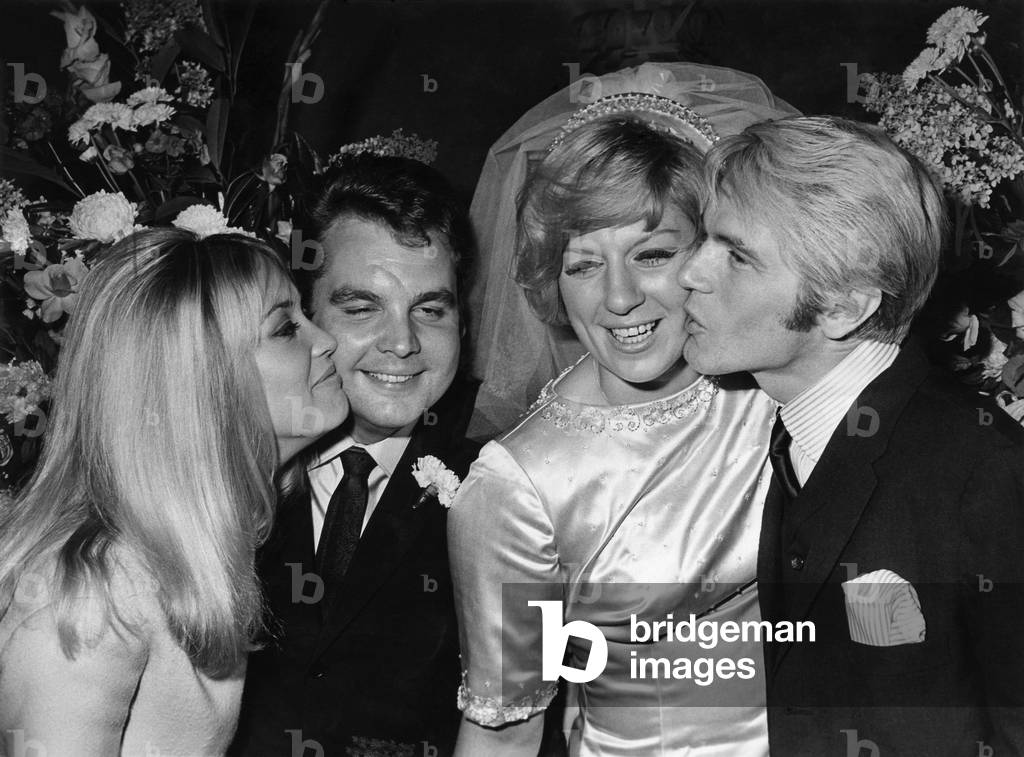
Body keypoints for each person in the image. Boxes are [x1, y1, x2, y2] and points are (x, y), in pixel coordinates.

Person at [449, 63, 799, 756]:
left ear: (707, 255)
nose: (618, 298)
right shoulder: (518, 483)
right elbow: (506, 731)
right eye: (582, 265)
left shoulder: (773, 390)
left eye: (652, 253)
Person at [677, 115, 1024, 755]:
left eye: (737, 254)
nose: (690, 272)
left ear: (843, 307)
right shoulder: (788, 423)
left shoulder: (987, 473)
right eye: (704, 238)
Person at [0, 228, 347, 756]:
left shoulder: (186, 549)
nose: (326, 340)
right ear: (198, 381)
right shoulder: (95, 583)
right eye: (284, 328)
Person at [233, 154, 481, 757]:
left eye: (430, 309)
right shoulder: (228, 470)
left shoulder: (510, 487)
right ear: (303, 315)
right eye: (362, 307)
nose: (401, 343)